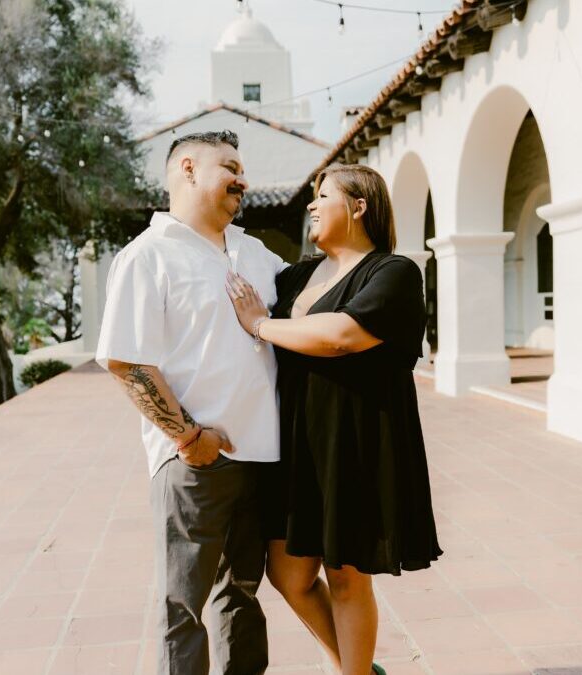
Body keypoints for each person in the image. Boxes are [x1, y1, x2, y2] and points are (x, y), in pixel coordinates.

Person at [226, 163, 443, 675]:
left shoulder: (393, 272)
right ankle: (361, 670)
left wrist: (259, 324)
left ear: (359, 206)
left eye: (324, 195)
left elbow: (342, 336)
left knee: (346, 577)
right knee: (288, 574)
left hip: (356, 441)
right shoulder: (296, 275)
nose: (311, 204)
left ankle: (352, 672)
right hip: (297, 443)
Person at [96, 130, 286, 675]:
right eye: (229, 166)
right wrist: (188, 438)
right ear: (187, 169)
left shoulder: (255, 252)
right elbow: (127, 361)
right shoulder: (148, 256)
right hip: (194, 463)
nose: (242, 179)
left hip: (260, 457)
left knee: (242, 598)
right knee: (182, 607)